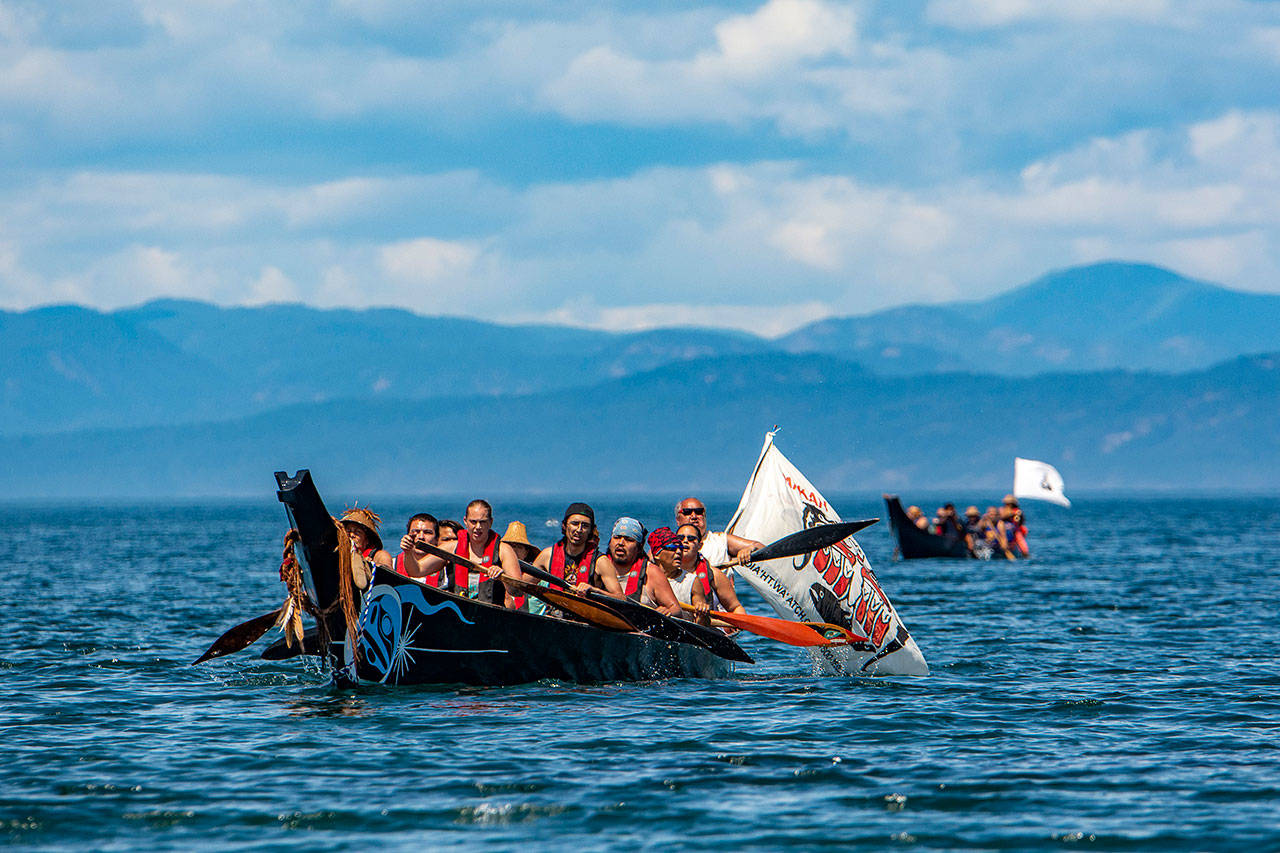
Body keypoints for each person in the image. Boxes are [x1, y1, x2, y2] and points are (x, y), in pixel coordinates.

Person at [592, 517, 681, 617]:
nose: (621, 543)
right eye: (616, 537)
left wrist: (667, 611)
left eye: (629, 540)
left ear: (639, 548)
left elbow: (676, 609)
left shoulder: (651, 572)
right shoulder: (598, 564)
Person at [664, 523, 747, 624]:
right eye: (680, 538)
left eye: (691, 539)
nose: (685, 541)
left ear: (700, 545)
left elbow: (735, 607)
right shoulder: (663, 572)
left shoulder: (715, 575)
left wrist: (738, 624)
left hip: (708, 629)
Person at [454, 499, 522, 606]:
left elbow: (517, 591)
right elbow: (420, 570)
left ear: (491, 522)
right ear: (465, 521)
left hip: (490, 615)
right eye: (473, 522)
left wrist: (503, 576)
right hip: (459, 612)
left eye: (483, 522)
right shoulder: (452, 547)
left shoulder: (503, 550)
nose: (478, 527)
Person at [674, 497, 763, 568]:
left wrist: (750, 550)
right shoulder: (670, 546)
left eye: (698, 512)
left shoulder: (721, 541)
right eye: (687, 512)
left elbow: (759, 547)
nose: (693, 516)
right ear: (678, 520)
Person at [530, 503, 598, 592]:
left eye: (585, 526)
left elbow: (619, 597)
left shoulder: (599, 561)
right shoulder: (547, 555)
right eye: (575, 523)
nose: (579, 529)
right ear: (564, 525)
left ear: (591, 530)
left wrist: (594, 590)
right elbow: (520, 586)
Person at [394, 513, 448, 585]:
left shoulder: (446, 569)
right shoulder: (393, 564)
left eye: (427, 532)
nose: (421, 537)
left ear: (437, 539)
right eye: (416, 532)